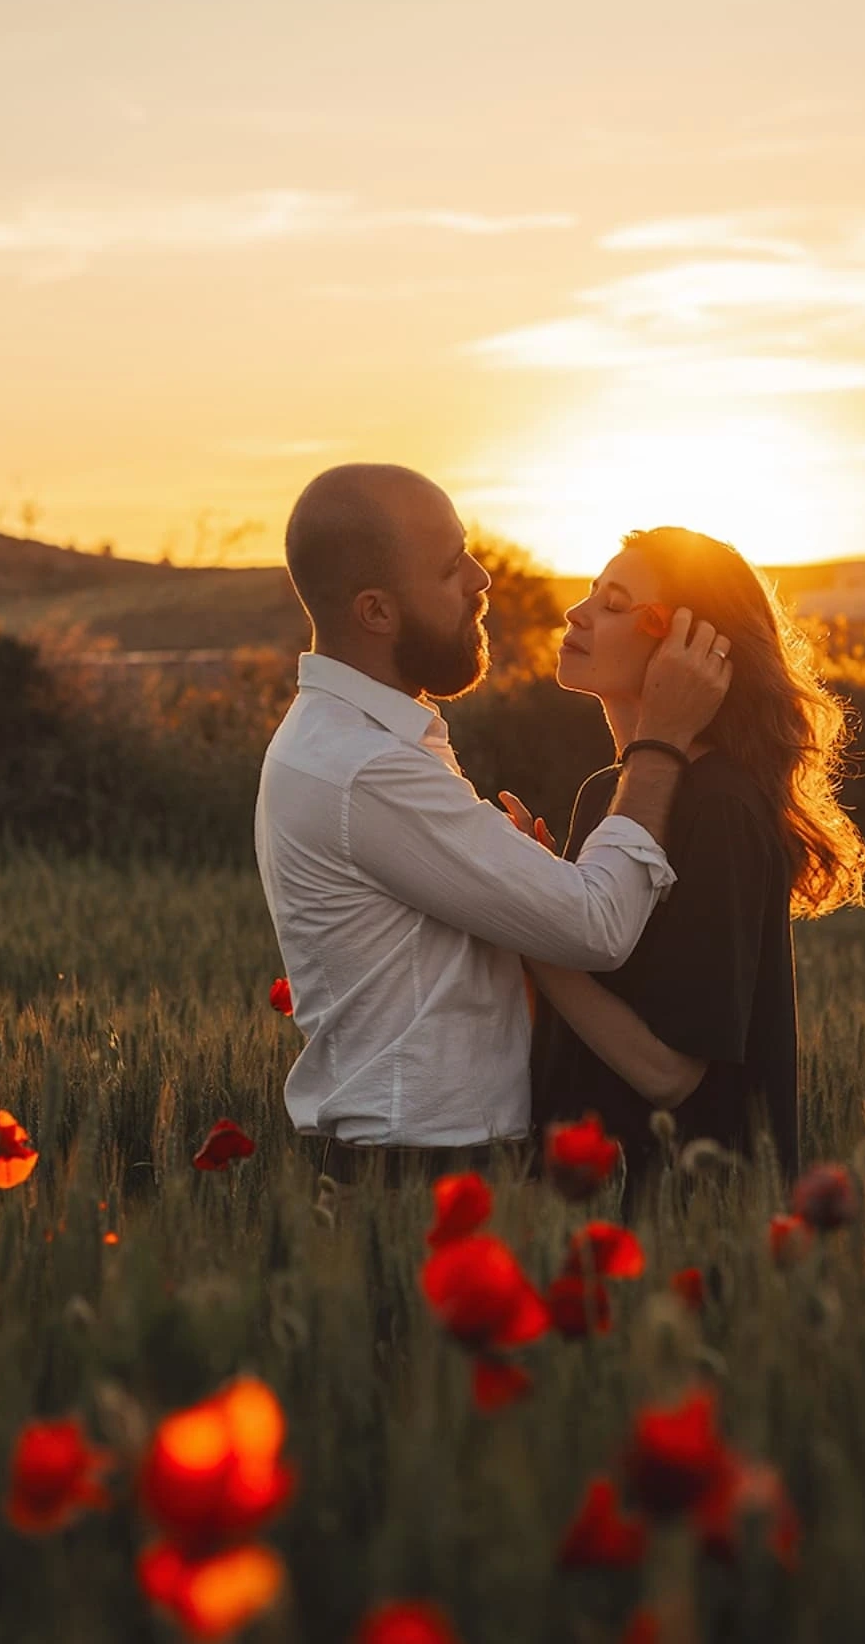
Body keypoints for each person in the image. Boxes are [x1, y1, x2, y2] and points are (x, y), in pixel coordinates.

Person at [253, 465, 732, 1185]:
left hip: (411, 1164)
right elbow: (597, 926)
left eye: (467, 550)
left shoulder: (353, 741)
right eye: (451, 568)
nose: (481, 579)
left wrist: (523, 890)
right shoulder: (367, 768)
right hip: (418, 1176)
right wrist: (659, 745)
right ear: (377, 612)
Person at [519, 526, 865, 1193]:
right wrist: (536, 890)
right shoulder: (607, 795)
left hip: (689, 1221)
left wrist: (528, 931)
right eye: (591, 593)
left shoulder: (721, 807)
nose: (577, 612)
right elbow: (584, 1009)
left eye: (615, 602)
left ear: (688, 644)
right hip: (591, 1206)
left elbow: (668, 1072)